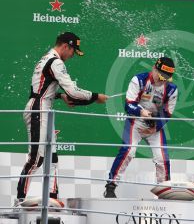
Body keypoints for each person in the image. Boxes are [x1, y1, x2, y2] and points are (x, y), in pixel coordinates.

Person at [16, 32, 108, 205]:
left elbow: (41, 88)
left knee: (52, 157)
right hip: (39, 110)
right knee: (36, 159)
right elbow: (73, 91)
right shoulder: (56, 62)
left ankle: (52, 199)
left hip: (42, 106)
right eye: (73, 51)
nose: (73, 55)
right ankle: (19, 201)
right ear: (66, 46)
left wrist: (60, 96)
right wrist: (96, 97)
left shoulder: (46, 58)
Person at [103, 57, 178, 198]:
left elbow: (167, 113)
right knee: (129, 152)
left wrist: (154, 128)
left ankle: (165, 192)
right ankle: (110, 186)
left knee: (162, 158)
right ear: (154, 69)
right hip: (135, 121)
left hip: (154, 126)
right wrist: (141, 112)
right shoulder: (139, 80)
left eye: (166, 79)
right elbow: (128, 104)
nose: (162, 81)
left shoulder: (172, 89)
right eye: (161, 77)